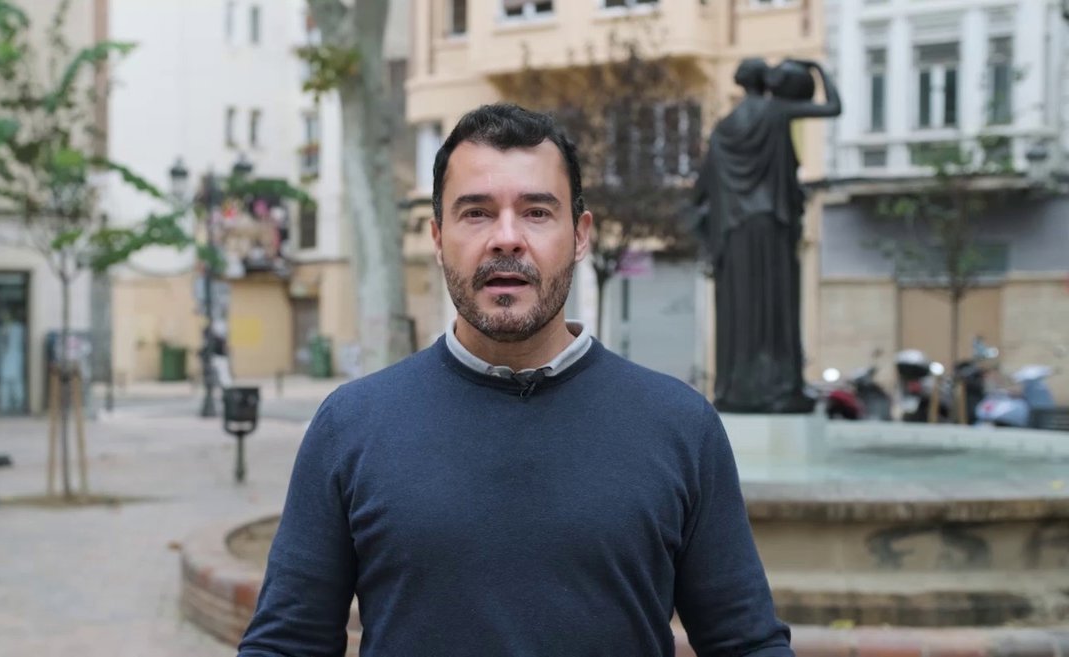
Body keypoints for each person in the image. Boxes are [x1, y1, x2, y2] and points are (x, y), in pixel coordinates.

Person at [239, 103, 792, 657]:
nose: (506, 238)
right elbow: (287, 645)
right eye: (476, 213)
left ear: (579, 235)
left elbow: (746, 644)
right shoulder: (350, 426)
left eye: (536, 212)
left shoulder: (681, 426)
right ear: (437, 238)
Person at [693, 57, 841, 414]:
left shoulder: (724, 128)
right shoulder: (776, 111)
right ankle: (780, 387)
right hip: (771, 223)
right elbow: (833, 108)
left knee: (739, 309)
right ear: (767, 82)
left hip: (733, 230)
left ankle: (736, 388)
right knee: (776, 306)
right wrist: (818, 69)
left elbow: (702, 191)